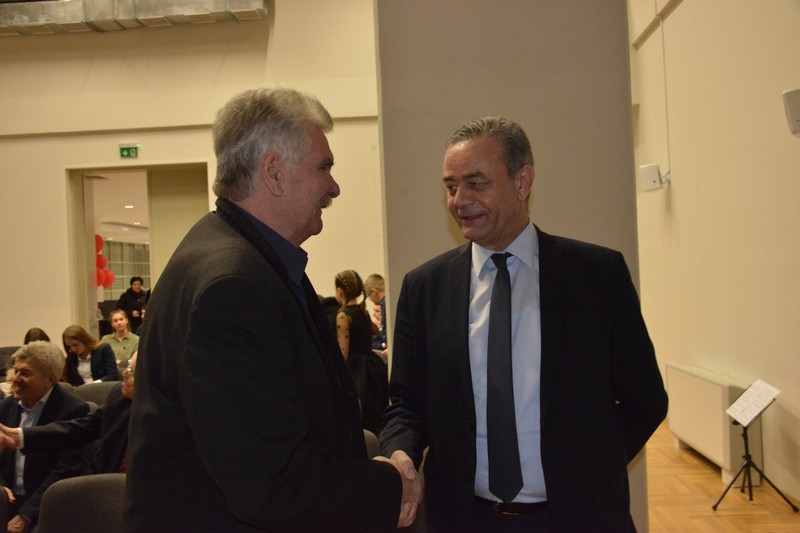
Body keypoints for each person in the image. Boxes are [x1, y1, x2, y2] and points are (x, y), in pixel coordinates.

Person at [126, 87, 421, 532]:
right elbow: (270, 483)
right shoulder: (234, 286)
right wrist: (389, 486)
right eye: (323, 167)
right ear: (274, 173)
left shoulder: (237, 255)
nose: (334, 187)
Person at [379, 116, 668, 532]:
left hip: (578, 519)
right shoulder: (424, 288)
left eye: (476, 183)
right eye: (451, 186)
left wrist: (593, 470)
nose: (459, 200)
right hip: (464, 520)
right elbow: (406, 404)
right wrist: (400, 452)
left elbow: (646, 398)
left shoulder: (596, 276)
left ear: (523, 182)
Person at [0, 341, 90, 532]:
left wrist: (25, 516)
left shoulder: (74, 411)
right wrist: (2, 487)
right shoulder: (5, 407)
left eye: (25, 373)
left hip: (50, 503)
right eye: (16, 371)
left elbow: (66, 471)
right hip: (9, 499)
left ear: (50, 380)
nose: (15, 379)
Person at [0, 353, 136, 474]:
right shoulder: (120, 397)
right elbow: (80, 429)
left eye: (131, 371)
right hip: (112, 486)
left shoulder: (73, 407)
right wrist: (20, 436)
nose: (123, 373)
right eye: (127, 367)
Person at [334, 270, 388, 435]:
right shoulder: (363, 312)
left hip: (357, 371)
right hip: (373, 367)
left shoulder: (343, 316)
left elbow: (343, 352)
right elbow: (374, 330)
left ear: (340, 291)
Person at [364, 273, 388, 355]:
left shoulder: (386, 305)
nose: (371, 300)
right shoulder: (387, 303)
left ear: (374, 292)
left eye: (369, 296)